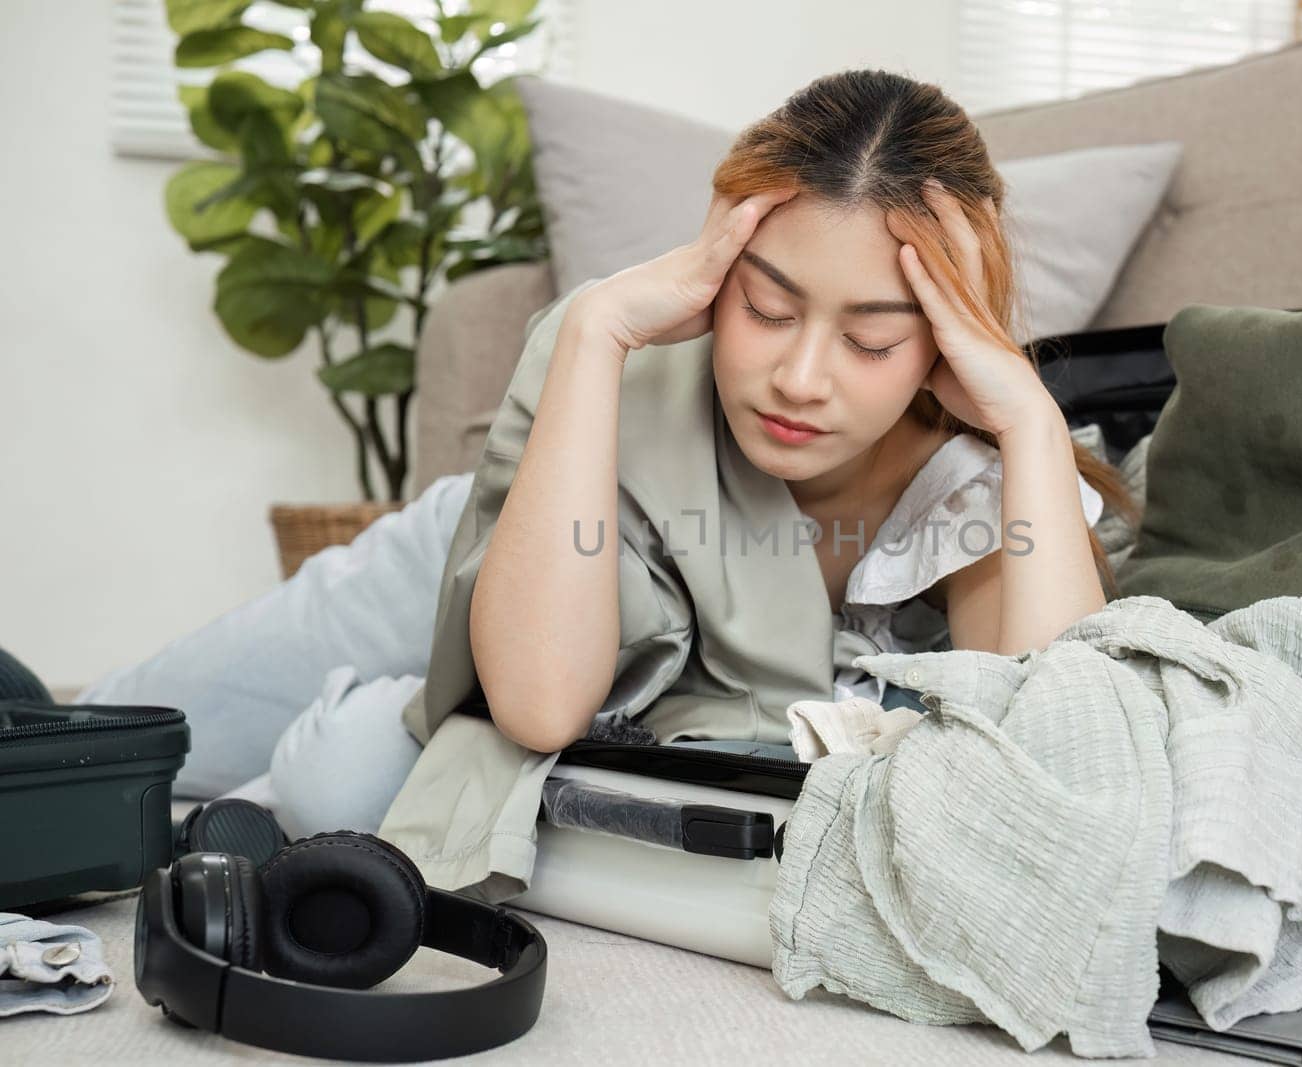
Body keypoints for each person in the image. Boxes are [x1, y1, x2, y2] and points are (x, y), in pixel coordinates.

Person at [74, 68, 1137, 841]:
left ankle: (385, 717)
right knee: (99, 745)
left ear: (948, 333)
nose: (801, 377)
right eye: (764, 307)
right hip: (508, 542)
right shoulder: (620, 378)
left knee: (341, 776)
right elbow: (544, 697)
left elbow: (1053, 769)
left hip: (606, 668)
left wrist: (1031, 421)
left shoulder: (980, 480)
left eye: (869, 339)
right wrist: (594, 327)